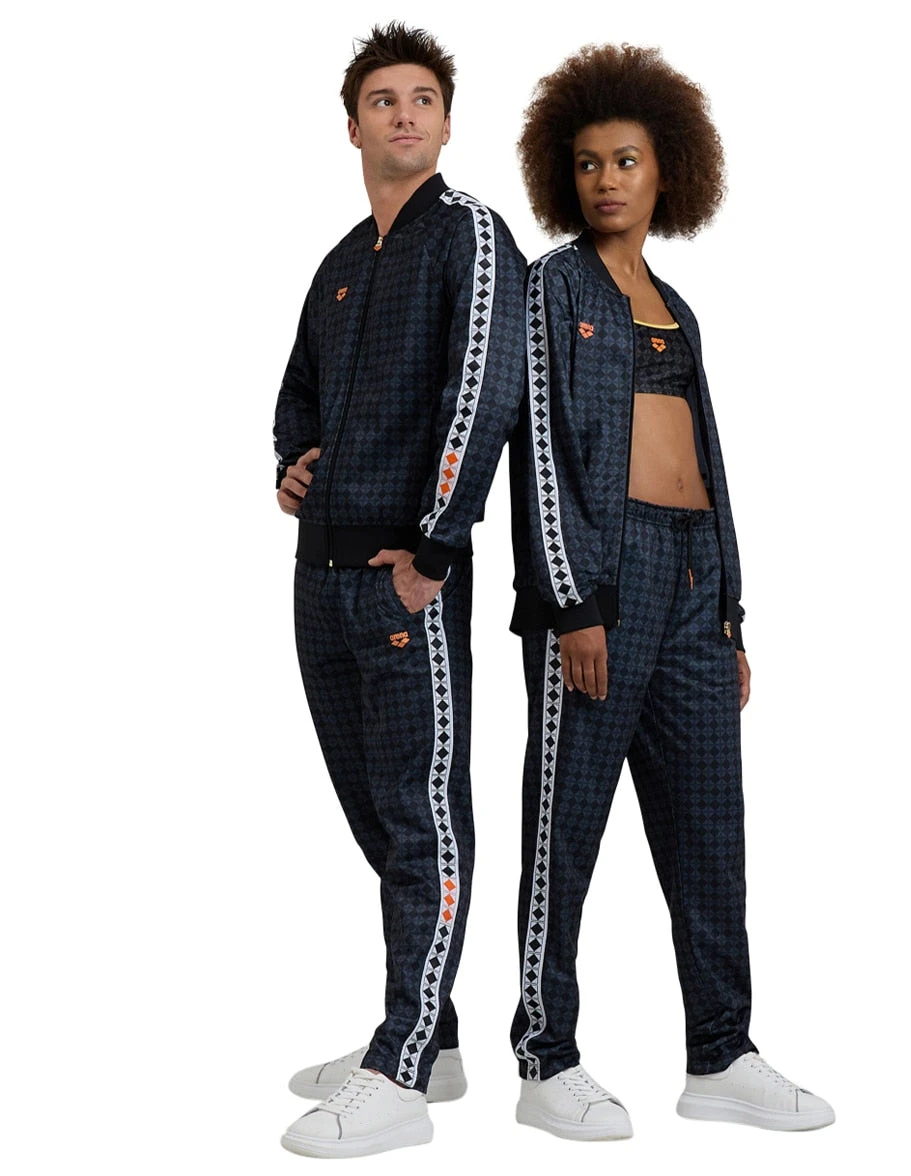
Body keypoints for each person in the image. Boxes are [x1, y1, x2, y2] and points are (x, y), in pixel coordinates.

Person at [507, 44, 833, 1140]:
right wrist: (571, 603)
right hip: (601, 583)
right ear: (566, 176)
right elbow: (542, 455)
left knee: (710, 829)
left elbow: (710, 461)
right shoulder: (550, 289)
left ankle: (722, 1053)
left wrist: (730, 613)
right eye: (589, 162)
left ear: (666, 172)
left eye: (628, 160)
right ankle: (546, 1057)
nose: (607, 179)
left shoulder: (678, 310)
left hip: (694, 582)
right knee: (565, 829)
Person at [273, 23, 525, 1159]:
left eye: (423, 98)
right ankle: (436, 1034)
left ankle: (401, 1067)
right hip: (318, 580)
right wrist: (289, 461)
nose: (405, 114)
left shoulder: (469, 234)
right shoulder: (338, 264)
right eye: (384, 100)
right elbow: (297, 393)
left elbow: (486, 390)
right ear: (354, 126)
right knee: (377, 816)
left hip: (401, 582)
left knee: (424, 820)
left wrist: (435, 548)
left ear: (447, 121)